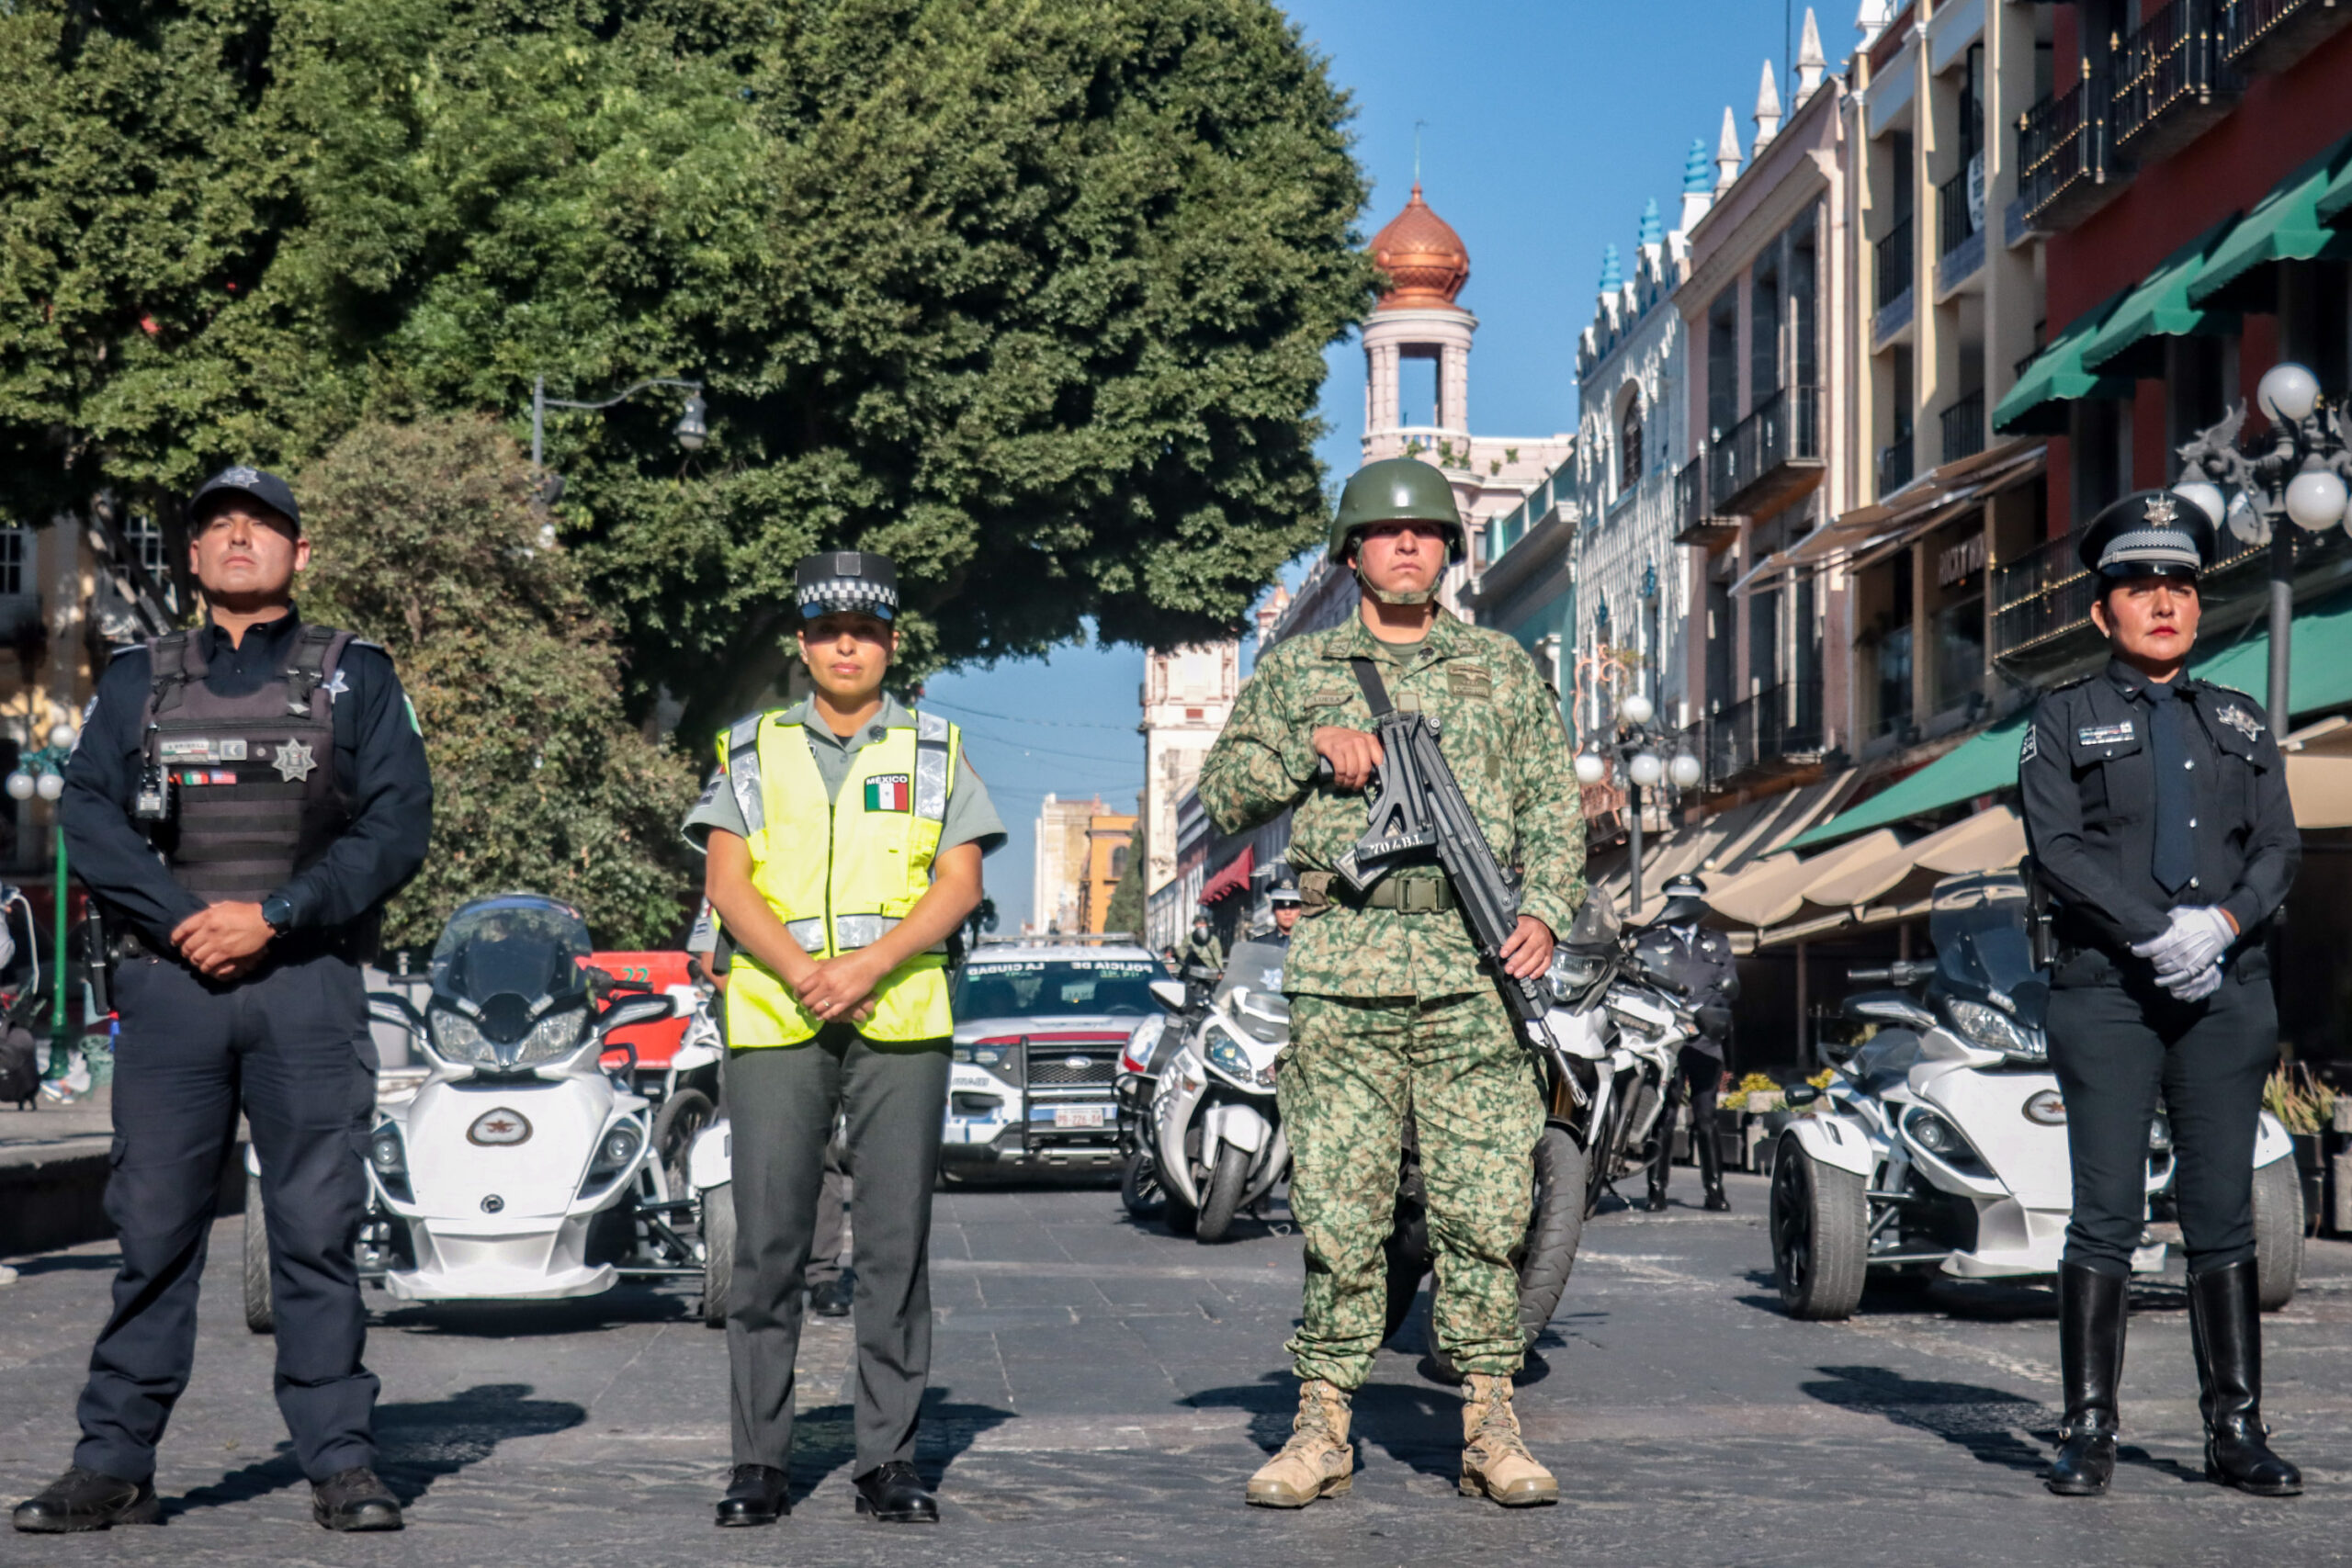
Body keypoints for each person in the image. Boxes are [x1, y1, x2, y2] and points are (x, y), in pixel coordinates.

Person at [14, 466, 432, 1535]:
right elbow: (91, 814)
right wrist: (185, 919)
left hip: (306, 985)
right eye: (218, 529)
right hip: (170, 990)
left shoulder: (357, 678)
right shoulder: (133, 682)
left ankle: (342, 1464)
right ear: (193, 559)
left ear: (301, 554)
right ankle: (113, 1464)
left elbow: (397, 828)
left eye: (263, 526)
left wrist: (278, 915)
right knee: (150, 1232)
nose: (239, 540)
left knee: (315, 1232)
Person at [1198, 456, 1583, 1510]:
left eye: (1426, 534)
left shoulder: (1501, 670)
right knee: (1338, 1208)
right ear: (1353, 552)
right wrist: (1309, 749)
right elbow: (1225, 788)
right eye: (1386, 533)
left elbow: (1554, 807)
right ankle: (1322, 1423)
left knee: (1483, 1210)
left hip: (1472, 971)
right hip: (1343, 968)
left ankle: (1490, 1423)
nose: (1407, 546)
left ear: (1449, 552)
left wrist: (1545, 910)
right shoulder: (1299, 672)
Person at [687, 550, 1004, 1528]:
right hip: (777, 1019)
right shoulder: (747, 747)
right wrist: (800, 972)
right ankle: (759, 1466)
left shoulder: (937, 750)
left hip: (898, 1017)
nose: (846, 647)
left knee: (893, 1250)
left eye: (864, 632)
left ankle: (888, 1462)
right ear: (804, 644)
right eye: (828, 632)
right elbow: (726, 884)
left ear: (891, 645)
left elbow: (960, 885)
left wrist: (865, 970)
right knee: (769, 1246)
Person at [2018, 490, 2301, 1499]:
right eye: (2139, 585)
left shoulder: (2238, 718)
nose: (2163, 600)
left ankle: (2235, 1432)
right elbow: (2054, 851)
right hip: (2107, 994)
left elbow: (2277, 845)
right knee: (2103, 1217)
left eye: (2178, 582)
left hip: (2228, 993)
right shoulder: (2062, 719)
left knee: (2221, 1215)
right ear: (2102, 611)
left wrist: (2220, 926)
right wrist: (2152, 931)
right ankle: (2087, 1432)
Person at [688, 899, 852, 1319]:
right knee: (749, 1158)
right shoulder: (735, 881)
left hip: (820, 1033)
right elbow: (713, 966)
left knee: (823, 1154)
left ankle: (822, 1274)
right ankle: (748, 1269)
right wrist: (781, 1000)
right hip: (756, 1038)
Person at [1631, 874, 1737, 1213]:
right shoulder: (1651, 941)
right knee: (1663, 1116)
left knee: (1706, 1118)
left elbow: (1728, 986)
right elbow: (1642, 988)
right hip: (1666, 1042)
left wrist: (1712, 1009)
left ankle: (1715, 1190)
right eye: (1676, 899)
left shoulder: (1717, 941)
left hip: (1705, 1041)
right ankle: (1656, 1190)